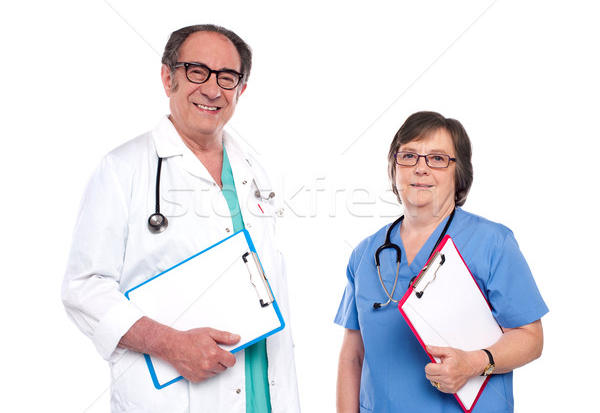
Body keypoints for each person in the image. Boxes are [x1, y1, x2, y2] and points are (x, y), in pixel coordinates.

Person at [62, 24, 300, 412]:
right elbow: (83, 288)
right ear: (167, 77)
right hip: (175, 397)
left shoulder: (254, 171)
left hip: (265, 393)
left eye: (227, 77)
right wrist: (171, 345)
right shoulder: (122, 169)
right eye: (196, 70)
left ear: (241, 90)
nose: (212, 88)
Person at [334, 111, 548, 412]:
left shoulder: (493, 243)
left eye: (437, 158)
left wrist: (476, 363)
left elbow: (531, 338)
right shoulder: (365, 254)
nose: (420, 169)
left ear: (459, 174)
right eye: (408, 156)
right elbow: (352, 356)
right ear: (394, 167)